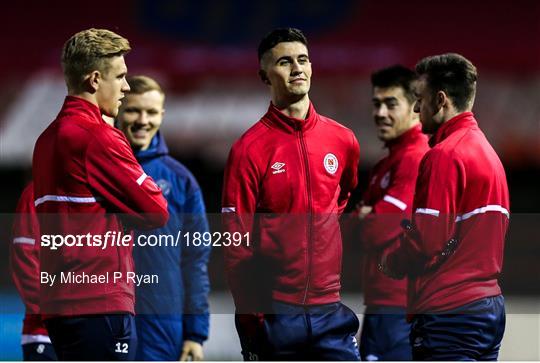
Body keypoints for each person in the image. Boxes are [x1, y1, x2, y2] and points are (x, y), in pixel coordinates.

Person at [221, 27, 361, 360]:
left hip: (330, 309)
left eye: (303, 60)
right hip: (276, 315)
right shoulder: (248, 150)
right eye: (285, 62)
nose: (297, 68)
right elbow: (235, 243)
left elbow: (342, 199)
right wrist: (250, 320)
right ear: (264, 75)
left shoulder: (343, 140)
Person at [32, 28, 169, 360]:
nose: (125, 87)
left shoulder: (45, 140)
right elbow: (157, 210)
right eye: (120, 77)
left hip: (60, 304)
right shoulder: (98, 137)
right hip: (99, 300)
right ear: (95, 80)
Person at [381, 53, 509, 360]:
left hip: (449, 312)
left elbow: (427, 239)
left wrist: (392, 262)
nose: (414, 108)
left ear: (440, 100)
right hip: (488, 308)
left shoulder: (444, 155)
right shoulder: (490, 155)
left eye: (419, 99)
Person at [116, 75, 211, 361]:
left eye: (152, 112)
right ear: (118, 108)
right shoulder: (96, 169)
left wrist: (195, 332)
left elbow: (196, 259)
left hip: (163, 325)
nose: (143, 120)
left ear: (162, 114)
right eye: (134, 110)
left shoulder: (181, 180)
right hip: (105, 317)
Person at [355, 65, 429, 361]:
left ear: (416, 107)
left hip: (402, 308)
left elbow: (375, 231)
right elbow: (356, 233)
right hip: (380, 305)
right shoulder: (386, 165)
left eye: (391, 103)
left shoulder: (416, 158)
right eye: (377, 104)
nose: (381, 113)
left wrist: (366, 218)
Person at [10, 182, 57, 361]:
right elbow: (24, 256)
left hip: (94, 330)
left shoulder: (101, 189)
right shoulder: (36, 191)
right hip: (44, 333)